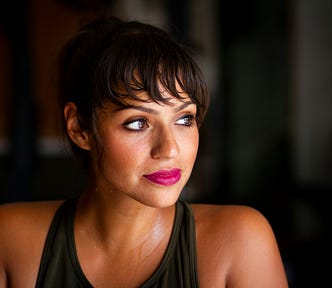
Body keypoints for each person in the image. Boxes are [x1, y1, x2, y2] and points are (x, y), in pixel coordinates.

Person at [0, 16, 289, 287]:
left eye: (184, 119)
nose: (170, 148)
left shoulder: (240, 242)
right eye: (138, 123)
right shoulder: (11, 241)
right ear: (79, 128)